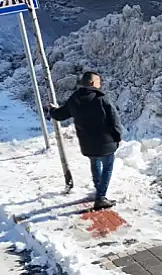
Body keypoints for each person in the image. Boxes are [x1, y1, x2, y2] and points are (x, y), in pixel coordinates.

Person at [49, 71, 122, 210]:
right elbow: (114, 120)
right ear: (93, 83)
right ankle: (100, 197)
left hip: (87, 144)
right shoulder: (101, 99)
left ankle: (98, 189)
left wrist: (52, 110)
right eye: (99, 81)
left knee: (94, 163)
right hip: (105, 143)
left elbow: (60, 115)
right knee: (107, 167)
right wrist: (117, 137)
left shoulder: (74, 99)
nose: (100, 84)